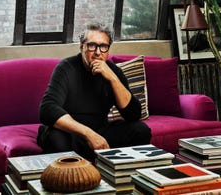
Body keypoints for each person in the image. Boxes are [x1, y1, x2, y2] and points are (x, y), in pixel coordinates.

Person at [37, 23, 151, 160]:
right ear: (81, 47)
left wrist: (113, 79)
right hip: (71, 132)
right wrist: (89, 134)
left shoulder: (113, 72)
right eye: (92, 46)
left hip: (100, 129)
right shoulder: (66, 68)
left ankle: (113, 174)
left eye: (103, 47)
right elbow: (47, 109)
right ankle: (81, 171)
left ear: (108, 50)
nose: (98, 52)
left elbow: (133, 115)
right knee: (56, 139)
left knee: (141, 130)